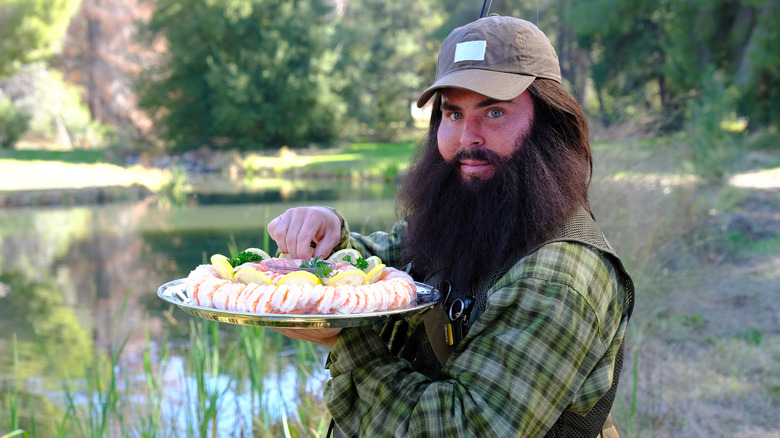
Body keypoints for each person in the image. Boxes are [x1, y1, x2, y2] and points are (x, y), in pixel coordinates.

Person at [267, 14, 634, 438]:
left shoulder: (564, 277)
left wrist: (345, 340)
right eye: (453, 114)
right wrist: (327, 235)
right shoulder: (478, 218)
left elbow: (460, 428)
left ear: (548, 124)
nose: (467, 138)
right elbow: (389, 258)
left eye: (494, 112)